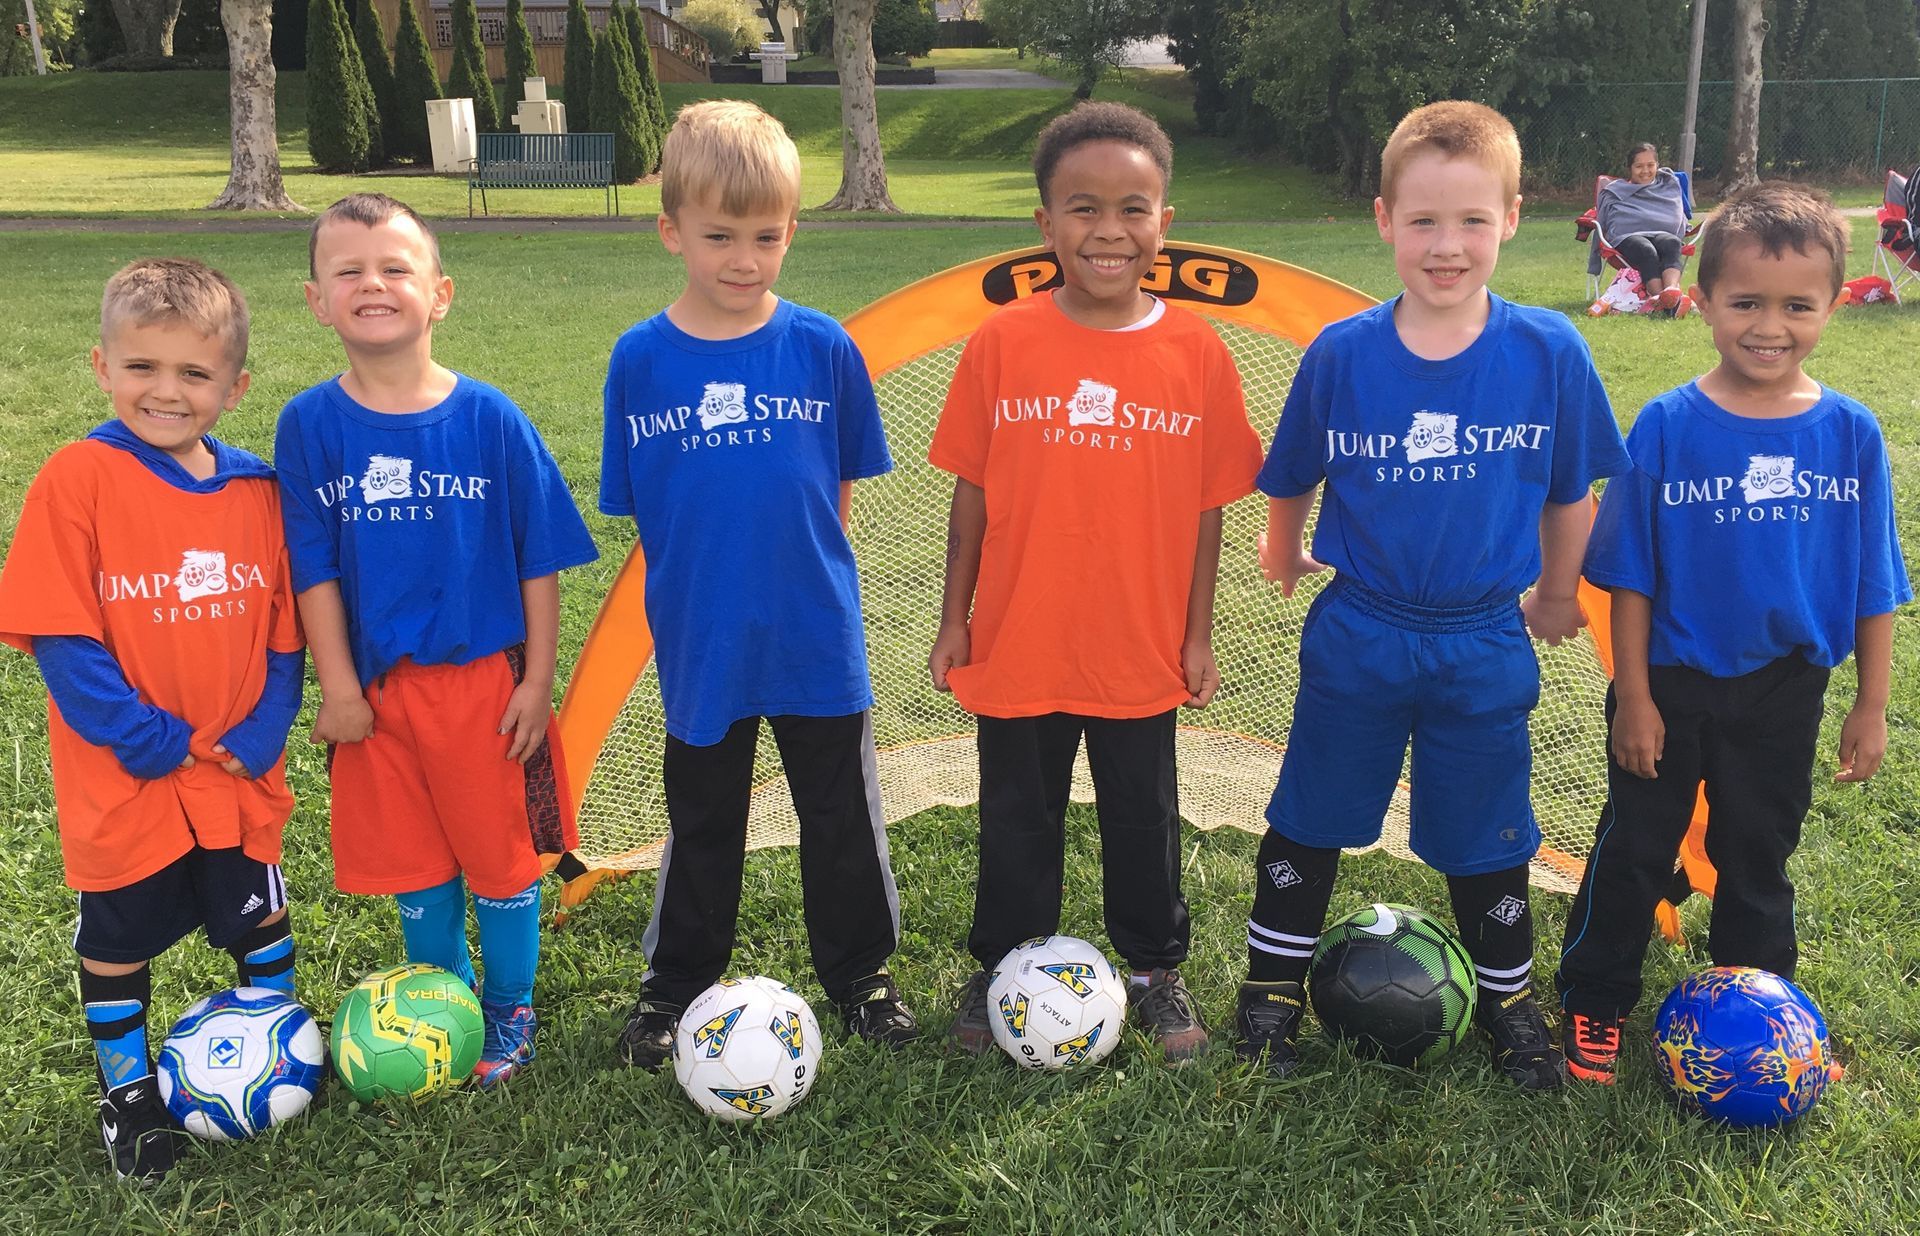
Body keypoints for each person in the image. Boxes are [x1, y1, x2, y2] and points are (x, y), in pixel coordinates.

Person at [1236, 101, 1631, 1089]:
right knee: (1310, 815)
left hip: (1482, 637)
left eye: (1470, 221)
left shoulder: (1548, 353)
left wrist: (1557, 594)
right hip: (1362, 628)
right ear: (1383, 220)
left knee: (1485, 831)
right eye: (1423, 222)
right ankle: (1270, 995)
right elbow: (1291, 473)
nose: (1446, 246)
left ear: (1511, 219)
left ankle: (1508, 1003)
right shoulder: (1342, 352)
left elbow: (1570, 489)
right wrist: (1283, 550)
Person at [929, 101, 1264, 1063]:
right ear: (1044, 224)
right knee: (1015, 820)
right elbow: (974, 496)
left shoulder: (1196, 350)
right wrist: (955, 619)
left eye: (1132, 208)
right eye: (1082, 208)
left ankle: (1155, 969)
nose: (1107, 231)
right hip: (1020, 639)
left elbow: (1210, 511)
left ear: (1164, 218)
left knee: (1143, 817)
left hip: (1138, 644)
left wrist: (1197, 634)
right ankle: (1004, 968)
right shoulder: (1004, 342)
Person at [1557, 183, 1910, 1083]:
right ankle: (1595, 1002)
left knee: (1757, 855)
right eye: (1746, 302)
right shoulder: (1670, 425)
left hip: (1788, 687)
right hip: (1670, 682)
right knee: (1636, 847)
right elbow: (1629, 576)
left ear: (1833, 305)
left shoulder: (1851, 433)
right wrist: (1633, 696)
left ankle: (1760, 1014)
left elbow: (1874, 583)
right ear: (1703, 301)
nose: (1770, 325)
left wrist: (1871, 703)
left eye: (1798, 305)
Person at [603, 100, 919, 1071]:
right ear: (671, 232)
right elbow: (650, 512)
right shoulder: (640, 360)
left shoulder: (825, 348)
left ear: (792, 229)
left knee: (840, 816)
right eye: (719, 236)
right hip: (704, 639)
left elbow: (839, 492)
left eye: (767, 236)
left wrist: (805, 584)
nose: (744, 258)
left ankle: (862, 976)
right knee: (703, 817)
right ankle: (676, 989)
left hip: (815, 631)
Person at [275, 193, 598, 1087]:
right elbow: (314, 570)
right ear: (316, 299)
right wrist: (339, 689)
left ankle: (508, 1007)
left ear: (440, 293)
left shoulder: (490, 417)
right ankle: (442, 1005)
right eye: (349, 271)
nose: (372, 284)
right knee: (416, 866)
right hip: (378, 697)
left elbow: (541, 557)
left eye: (395, 268)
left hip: (482, 686)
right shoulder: (309, 425)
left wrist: (537, 683)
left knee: (497, 860)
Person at [0, 259, 304, 1179]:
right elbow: (59, 633)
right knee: (119, 938)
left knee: (257, 922)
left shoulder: (258, 493)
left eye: (194, 374)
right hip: (129, 778)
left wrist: (262, 735)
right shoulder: (78, 478)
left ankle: (278, 1054)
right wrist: (146, 738)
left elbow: (286, 637)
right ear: (102, 365)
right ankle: (128, 1097)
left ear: (235, 386)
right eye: (142, 368)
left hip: (236, 776)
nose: (166, 392)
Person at [1599, 142, 1692, 311]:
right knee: (1646, 249)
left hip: (1662, 234)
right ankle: (1660, 301)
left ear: (1658, 165)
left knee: (1672, 242)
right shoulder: (1617, 191)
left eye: (1651, 165)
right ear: (1630, 168)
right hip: (1627, 236)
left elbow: (1677, 213)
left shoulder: (1668, 185)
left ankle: (1672, 292)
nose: (1646, 171)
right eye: (1639, 166)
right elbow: (1604, 220)